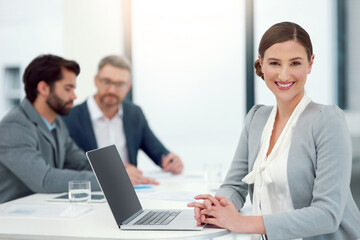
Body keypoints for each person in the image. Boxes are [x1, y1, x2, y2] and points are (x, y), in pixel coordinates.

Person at [188, 22, 360, 239]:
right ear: (262, 63)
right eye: (274, 63)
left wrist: (241, 222)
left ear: (310, 63)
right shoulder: (256, 118)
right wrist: (215, 207)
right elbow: (234, 185)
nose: (284, 75)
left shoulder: (327, 121)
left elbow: (327, 214)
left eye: (295, 63)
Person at [62, 55, 184, 185]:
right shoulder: (69, 117)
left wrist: (171, 162)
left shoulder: (134, 114)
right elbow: (67, 166)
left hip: (131, 192)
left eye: (120, 84)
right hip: (93, 193)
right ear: (96, 80)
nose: (112, 90)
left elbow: (159, 153)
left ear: (128, 86)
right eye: (107, 81)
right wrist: (115, 174)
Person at [0, 54, 100, 204]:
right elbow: (45, 180)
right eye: (68, 88)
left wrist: (114, 171)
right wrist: (109, 180)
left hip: (44, 210)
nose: (74, 96)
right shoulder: (15, 126)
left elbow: (80, 162)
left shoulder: (56, 123)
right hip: (13, 218)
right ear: (43, 88)